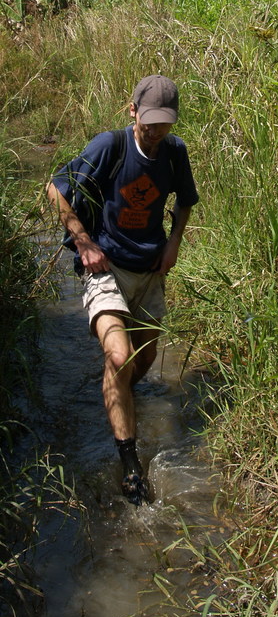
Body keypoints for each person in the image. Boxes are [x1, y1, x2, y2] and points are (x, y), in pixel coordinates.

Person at [47, 75, 199, 506]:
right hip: (106, 266)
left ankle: (118, 400)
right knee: (119, 355)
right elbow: (56, 189)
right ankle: (131, 465)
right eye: (149, 123)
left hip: (150, 269)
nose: (155, 133)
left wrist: (174, 243)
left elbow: (185, 200)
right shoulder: (108, 146)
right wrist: (83, 240)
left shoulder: (174, 152)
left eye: (163, 124)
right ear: (132, 111)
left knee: (144, 358)